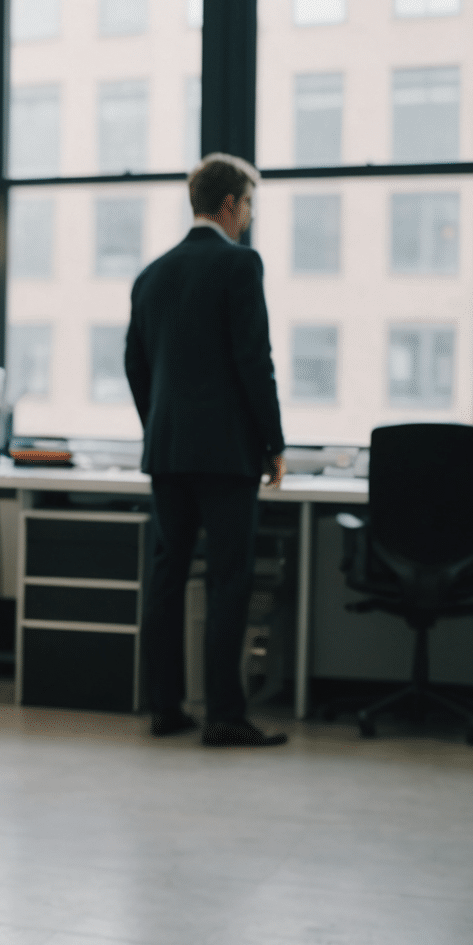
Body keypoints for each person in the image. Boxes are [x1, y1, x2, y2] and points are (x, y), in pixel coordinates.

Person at [124, 152, 288, 747]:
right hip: (226, 456)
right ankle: (224, 716)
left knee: (167, 578)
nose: (247, 216)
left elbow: (135, 366)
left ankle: (165, 708)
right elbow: (253, 360)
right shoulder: (240, 265)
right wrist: (273, 443)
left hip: (167, 452)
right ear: (227, 205)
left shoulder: (152, 274)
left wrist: (160, 427)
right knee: (228, 579)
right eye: (246, 204)